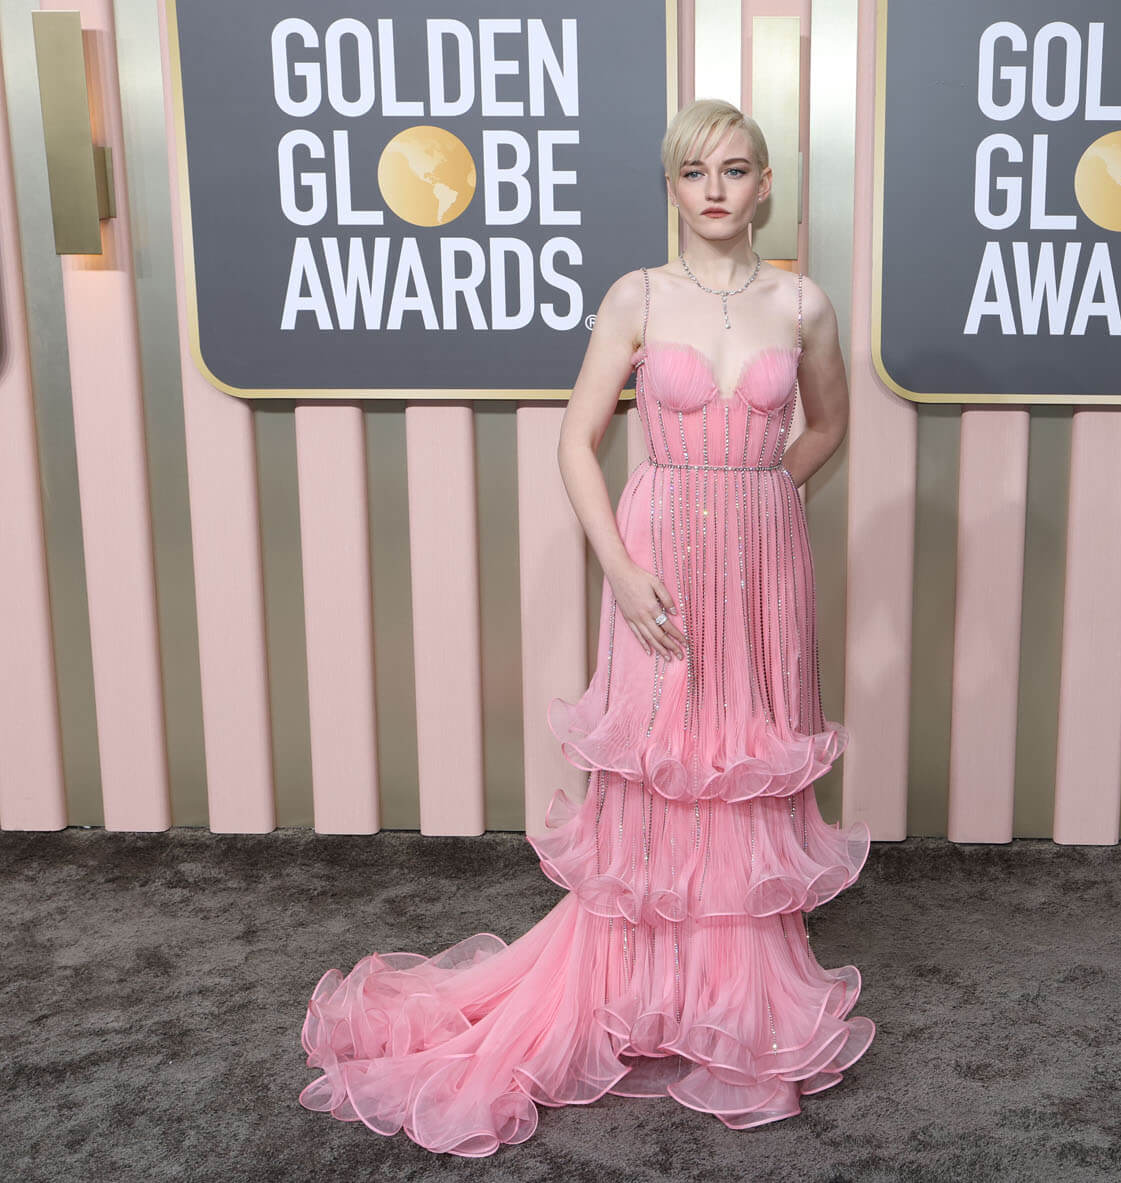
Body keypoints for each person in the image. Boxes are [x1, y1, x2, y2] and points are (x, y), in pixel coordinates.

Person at [299, 98, 873, 1157]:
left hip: (763, 562)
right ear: (671, 187)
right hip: (655, 552)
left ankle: (730, 993)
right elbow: (575, 442)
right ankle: (638, 984)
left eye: (737, 170)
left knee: (740, 757)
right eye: (696, 171)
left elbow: (831, 421)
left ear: (765, 188)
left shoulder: (803, 302)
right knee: (665, 762)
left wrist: (767, 497)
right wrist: (622, 565)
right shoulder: (637, 297)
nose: (716, 189)